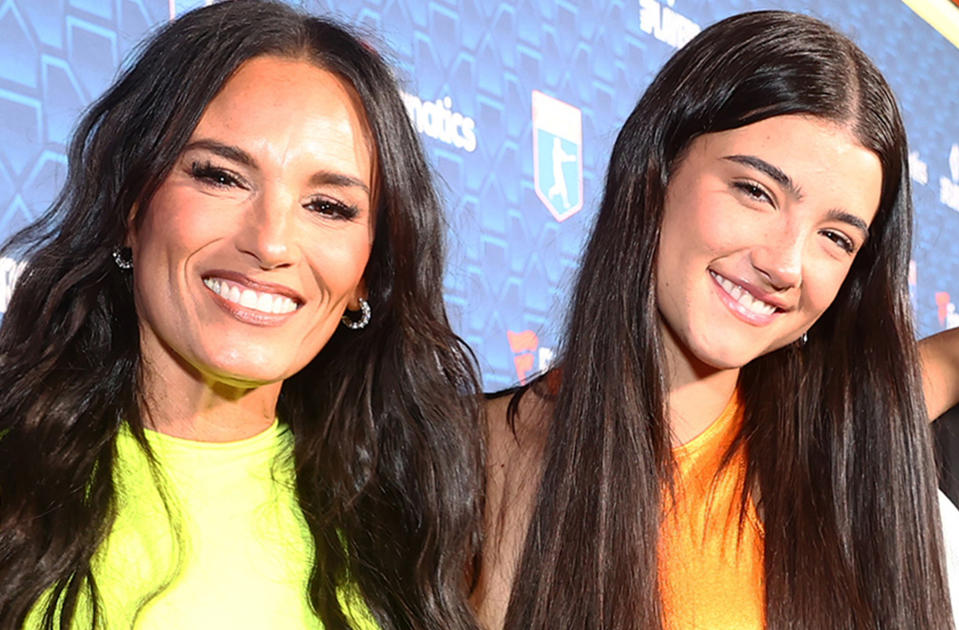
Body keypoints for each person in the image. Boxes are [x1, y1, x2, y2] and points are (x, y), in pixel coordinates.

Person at [0, 2, 483, 629]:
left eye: (329, 206)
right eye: (221, 176)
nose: (271, 243)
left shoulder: (405, 533)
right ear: (130, 203)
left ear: (369, 273)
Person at [472, 10, 956, 630]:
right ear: (658, 168)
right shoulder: (475, 458)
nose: (786, 264)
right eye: (756, 191)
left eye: (835, 237)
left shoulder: (840, 440)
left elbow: (933, 367)